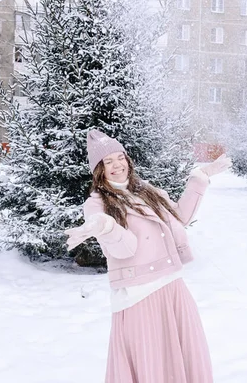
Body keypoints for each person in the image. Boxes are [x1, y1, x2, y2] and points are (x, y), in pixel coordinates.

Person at [65, 130, 232, 383]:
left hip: (173, 287)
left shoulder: (146, 190)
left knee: (183, 359)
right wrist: (106, 227)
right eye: (108, 162)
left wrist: (201, 177)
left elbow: (180, 218)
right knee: (151, 365)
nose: (117, 165)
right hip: (137, 296)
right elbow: (125, 249)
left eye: (119, 157)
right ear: (99, 169)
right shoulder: (97, 204)